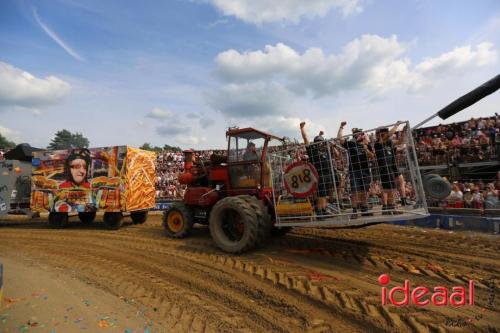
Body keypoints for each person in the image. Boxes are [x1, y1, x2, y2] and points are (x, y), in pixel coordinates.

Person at [337, 122, 375, 218]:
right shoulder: (351, 143)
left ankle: (364, 209)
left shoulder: (367, 144)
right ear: (356, 135)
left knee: (365, 190)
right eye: (360, 134)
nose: (362, 135)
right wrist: (341, 127)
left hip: (366, 170)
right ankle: (354, 211)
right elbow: (340, 139)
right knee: (355, 191)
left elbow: (372, 156)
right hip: (354, 171)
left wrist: (366, 147)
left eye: (362, 134)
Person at [300, 122, 334, 216]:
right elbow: (306, 139)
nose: (321, 143)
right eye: (319, 142)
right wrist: (302, 128)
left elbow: (319, 140)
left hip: (328, 174)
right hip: (320, 174)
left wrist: (320, 135)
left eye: (321, 141)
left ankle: (323, 209)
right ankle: (319, 211)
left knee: (324, 194)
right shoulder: (312, 150)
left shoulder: (324, 150)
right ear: (316, 143)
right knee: (321, 194)